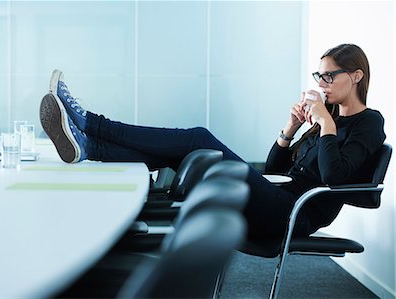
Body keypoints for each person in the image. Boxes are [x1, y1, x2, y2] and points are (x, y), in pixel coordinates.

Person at [39, 44, 385, 239]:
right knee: (191, 155)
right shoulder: (328, 121)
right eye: (319, 75)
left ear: (356, 76)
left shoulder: (369, 123)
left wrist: (324, 122)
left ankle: (90, 124)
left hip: (295, 215)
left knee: (200, 139)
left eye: (329, 75)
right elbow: (276, 169)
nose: (322, 82)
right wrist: (290, 129)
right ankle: (91, 146)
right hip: (277, 197)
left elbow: (334, 178)